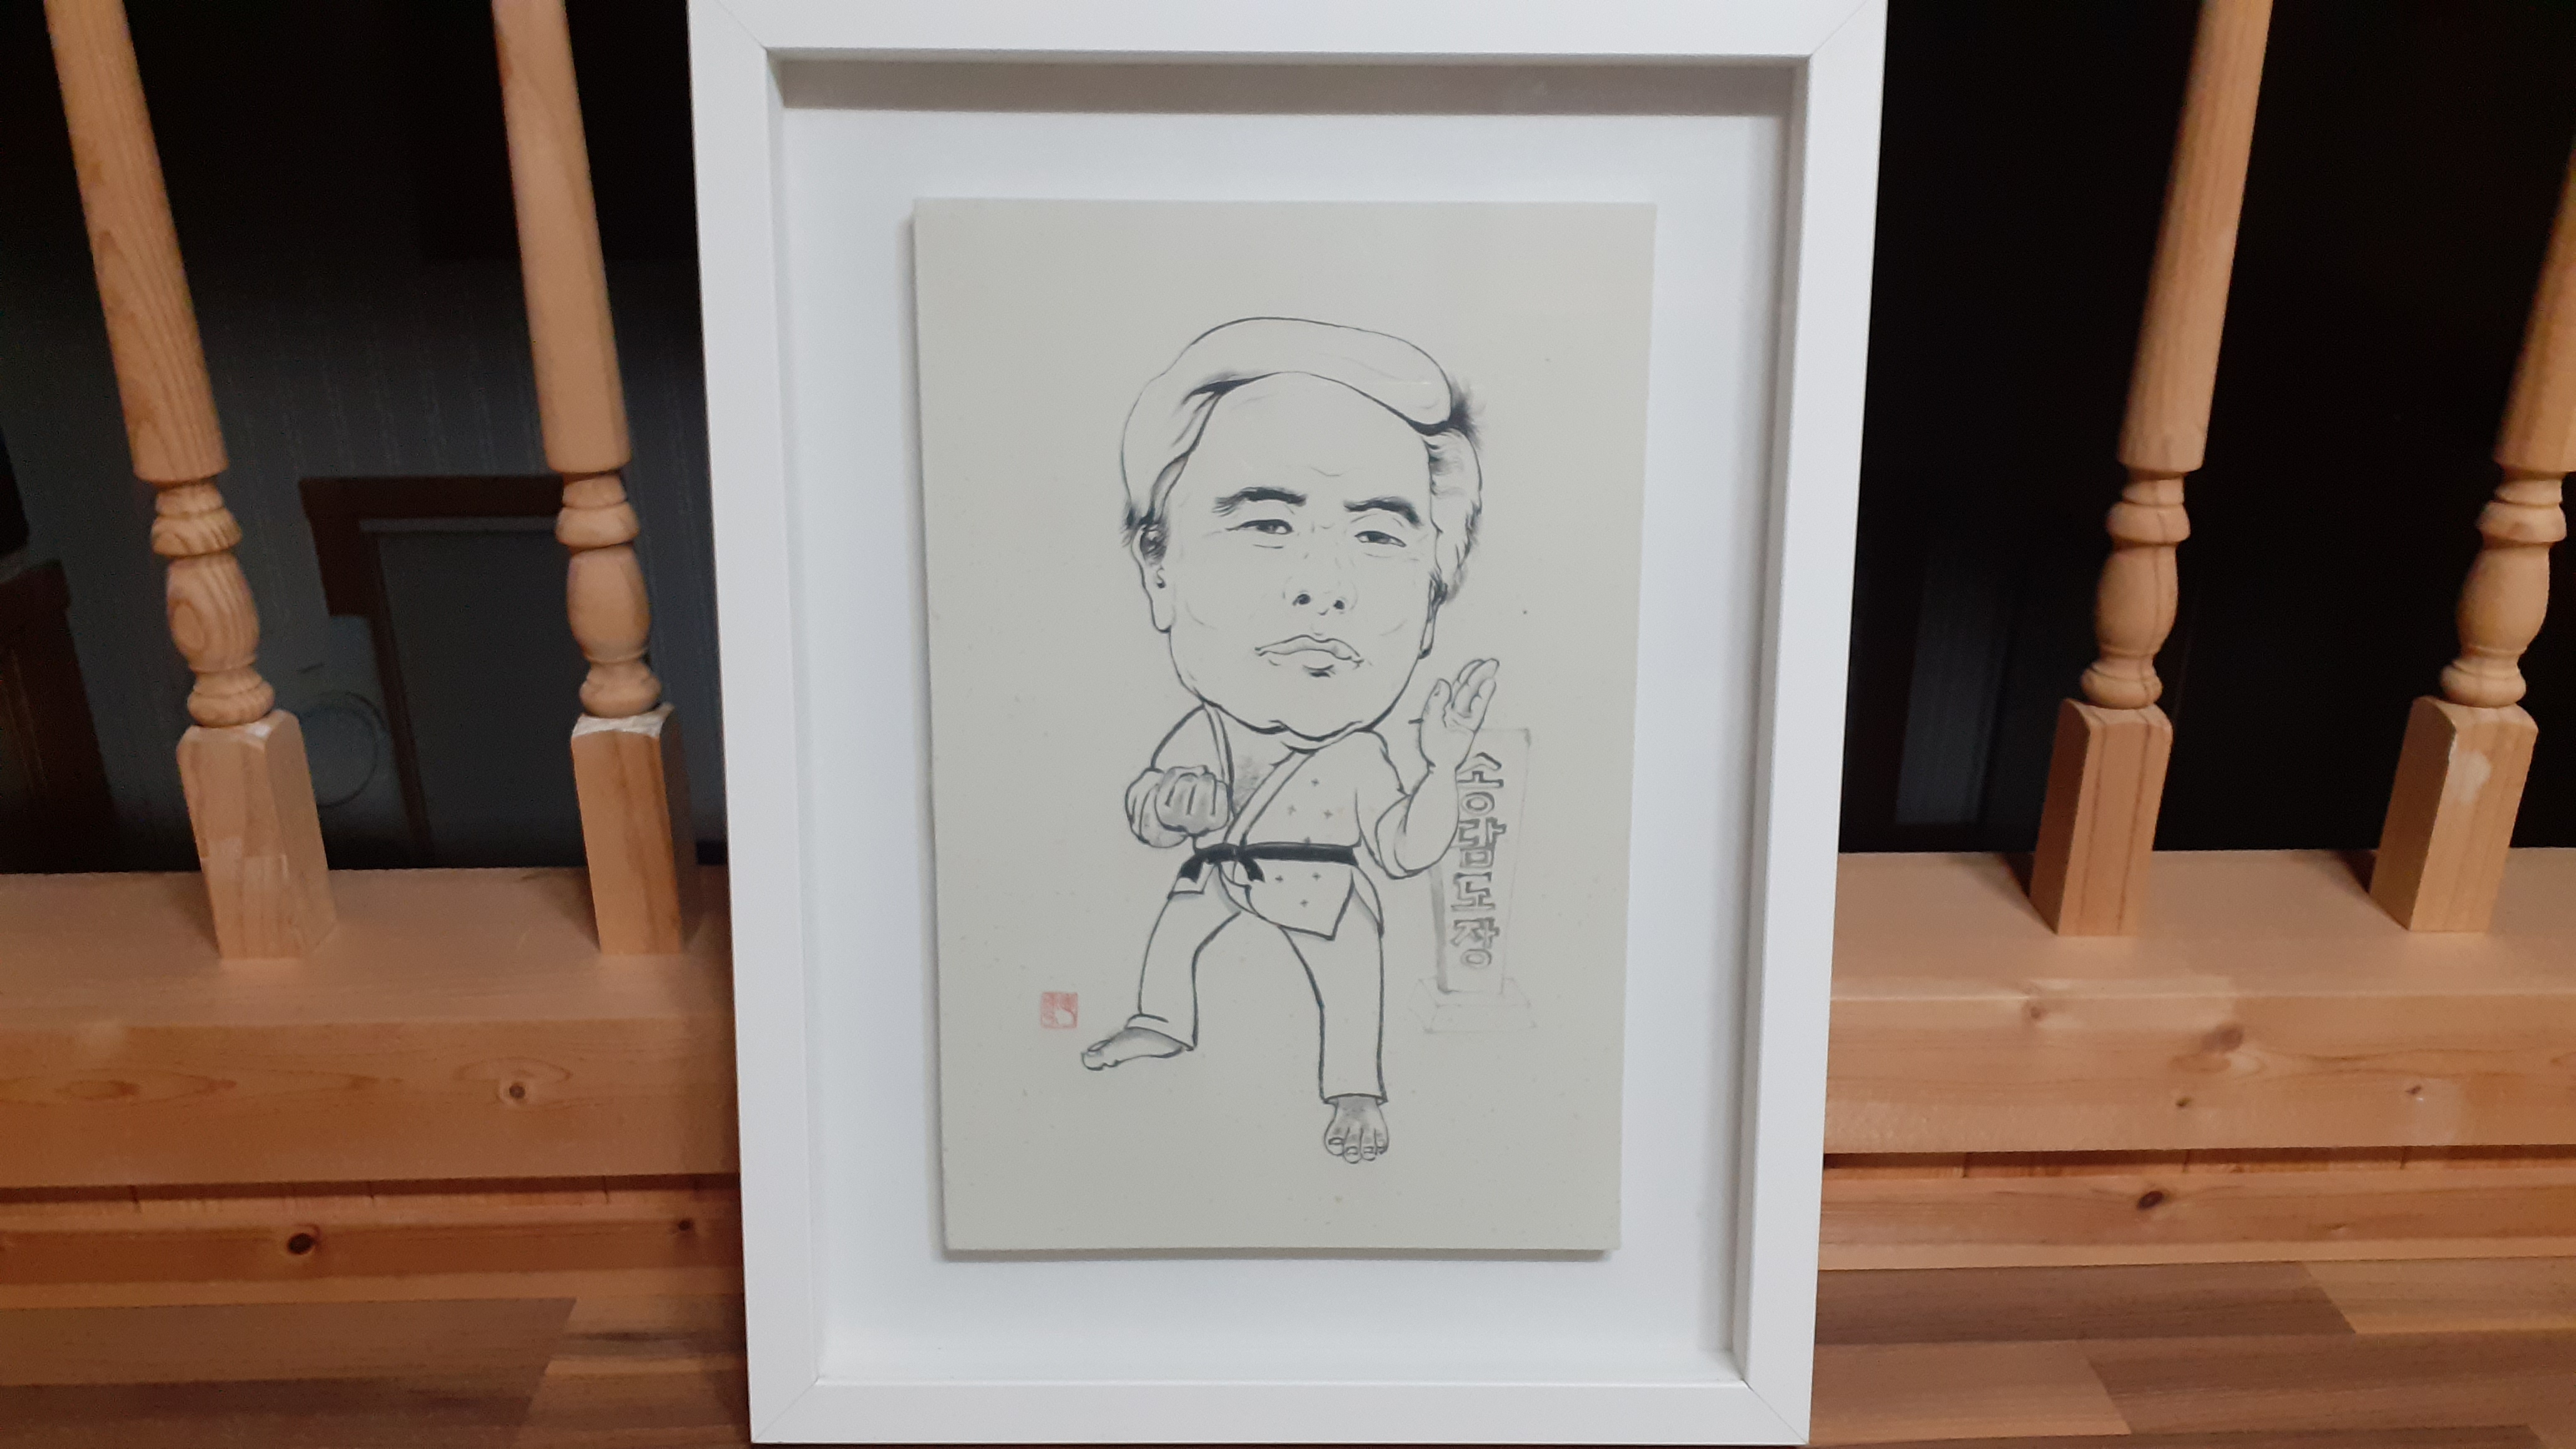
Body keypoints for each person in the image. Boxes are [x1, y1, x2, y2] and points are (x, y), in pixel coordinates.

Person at [1080, 316, 1498, 1165]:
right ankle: (1161, 1019)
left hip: (1324, 893)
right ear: (1157, 567)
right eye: (1268, 524)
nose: (1322, 589)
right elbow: (1153, 813)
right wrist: (1173, 803)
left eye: (1378, 536)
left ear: (1431, 605)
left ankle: (1356, 1091)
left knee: (1352, 977)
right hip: (1224, 872)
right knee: (1178, 930)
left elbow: (1405, 849)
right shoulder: (1205, 730)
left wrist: (1443, 767)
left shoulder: (1364, 758)